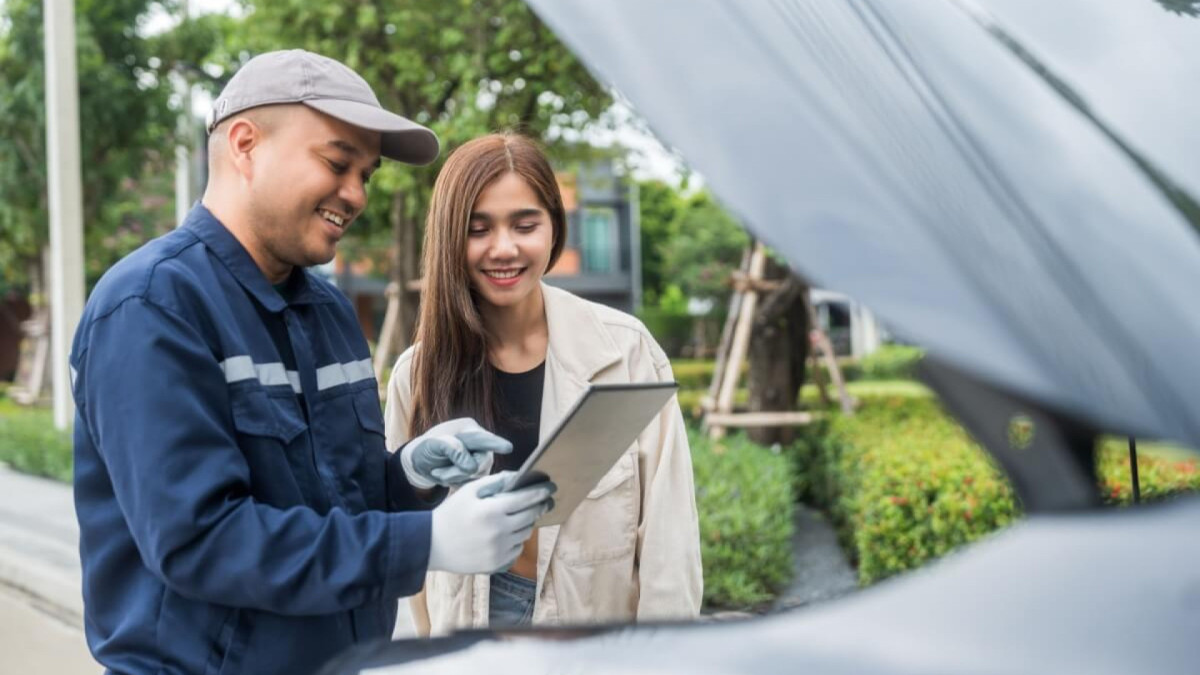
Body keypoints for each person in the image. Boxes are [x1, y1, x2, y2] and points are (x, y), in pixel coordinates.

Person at [69, 50, 554, 675]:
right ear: (245, 144)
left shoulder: (326, 310)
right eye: (336, 163)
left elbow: (334, 497)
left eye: (367, 175)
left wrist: (410, 475)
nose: (354, 195)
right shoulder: (152, 307)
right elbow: (201, 540)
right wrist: (426, 543)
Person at [384, 133, 703, 635]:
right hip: (468, 640)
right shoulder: (417, 374)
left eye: (525, 224)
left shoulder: (626, 352)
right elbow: (402, 562)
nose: (504, 248)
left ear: (555, 228)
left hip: (597, 640)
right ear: (449, 238)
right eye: (478, 229)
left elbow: (670, 540)